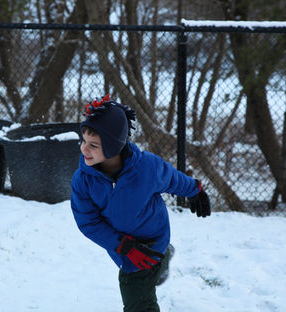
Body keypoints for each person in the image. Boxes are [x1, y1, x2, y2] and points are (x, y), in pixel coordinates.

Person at [70, 95, 211, 312]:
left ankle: (160, 255)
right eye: (83, 141)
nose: (84, 149)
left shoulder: (146, 167)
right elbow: (88, 222)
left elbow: (171, 178)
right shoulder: (83, 180)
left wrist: (195, 189)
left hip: (153, 238)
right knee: (144, 277)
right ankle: (161, 260)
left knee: (138, 302)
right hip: (122, 247)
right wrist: (122, 246)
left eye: (93, 145)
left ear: (112, 146)